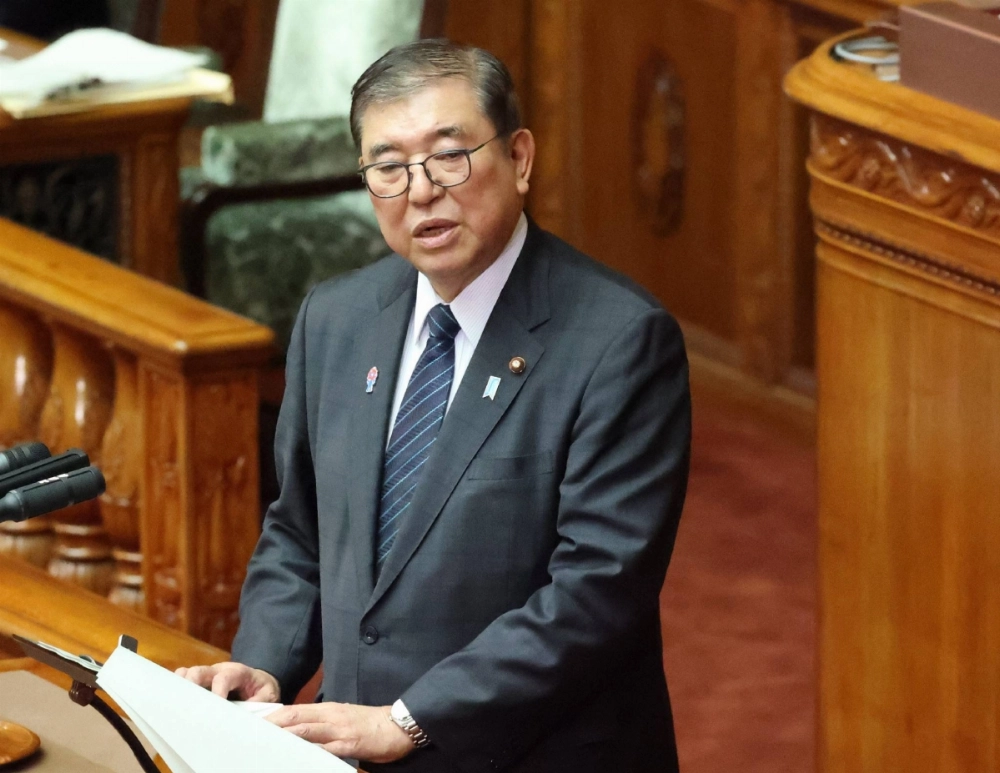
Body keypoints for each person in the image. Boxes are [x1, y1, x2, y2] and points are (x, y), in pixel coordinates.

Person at [177, 39, 691, 773]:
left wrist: (412, 719)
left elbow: (596, 594)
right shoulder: (335, 318)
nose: (420, 190)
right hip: (354, 749)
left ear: (518, 157)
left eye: (449, 156)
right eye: (388, 167)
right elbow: (300, 532)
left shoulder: (619, 341)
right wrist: (267, 665)